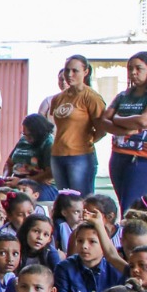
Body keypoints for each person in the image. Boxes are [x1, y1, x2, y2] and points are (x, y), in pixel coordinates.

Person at [101, 50, 147, 212]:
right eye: (130, 69)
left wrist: (118, 119)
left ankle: (127, 236)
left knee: (130, 206)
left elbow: (144, 121)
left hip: (146, 160)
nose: (133, 73)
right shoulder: (123, 96)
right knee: (124, 205)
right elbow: (103, 122)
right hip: (119, 157)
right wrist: (122, 128)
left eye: (139, 68)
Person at [48, 55, 107, 194]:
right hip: (57, 154)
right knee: (64, 200)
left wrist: (84, 142)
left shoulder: (91, 97)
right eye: (66, 70)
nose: (69, 75)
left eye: (75, 71)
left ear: (85, 72)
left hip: (80, 156)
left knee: (81, 201)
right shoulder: (58, 98)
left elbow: (102, 129)